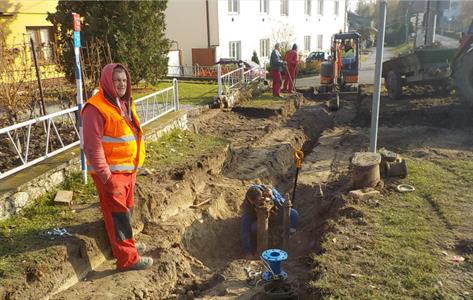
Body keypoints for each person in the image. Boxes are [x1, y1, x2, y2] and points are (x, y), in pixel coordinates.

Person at [82, 63, 153, 271]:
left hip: (127, 172)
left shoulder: (123, 103)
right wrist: (107, 177)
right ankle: (127, 259)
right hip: (111, 175)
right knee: (118, 216)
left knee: (126, 212)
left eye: (124, 80)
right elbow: (92, 146)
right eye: (117, 80)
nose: (121, 84)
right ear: (107, 82)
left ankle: (123, 246)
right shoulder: (95, 108)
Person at [240, 184, 298, 258]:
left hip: (275, 215)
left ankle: (288, 236)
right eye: (255, 204)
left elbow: (284, 205)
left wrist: (273, 197)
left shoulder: (269, 189)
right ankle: (259, 243)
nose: (258, 205)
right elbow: (244, 230)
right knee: (254, 228)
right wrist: (247, 251)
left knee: (294, 214)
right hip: (260, 221)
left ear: (262, 195)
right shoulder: (247, 206)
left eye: (260, 201)